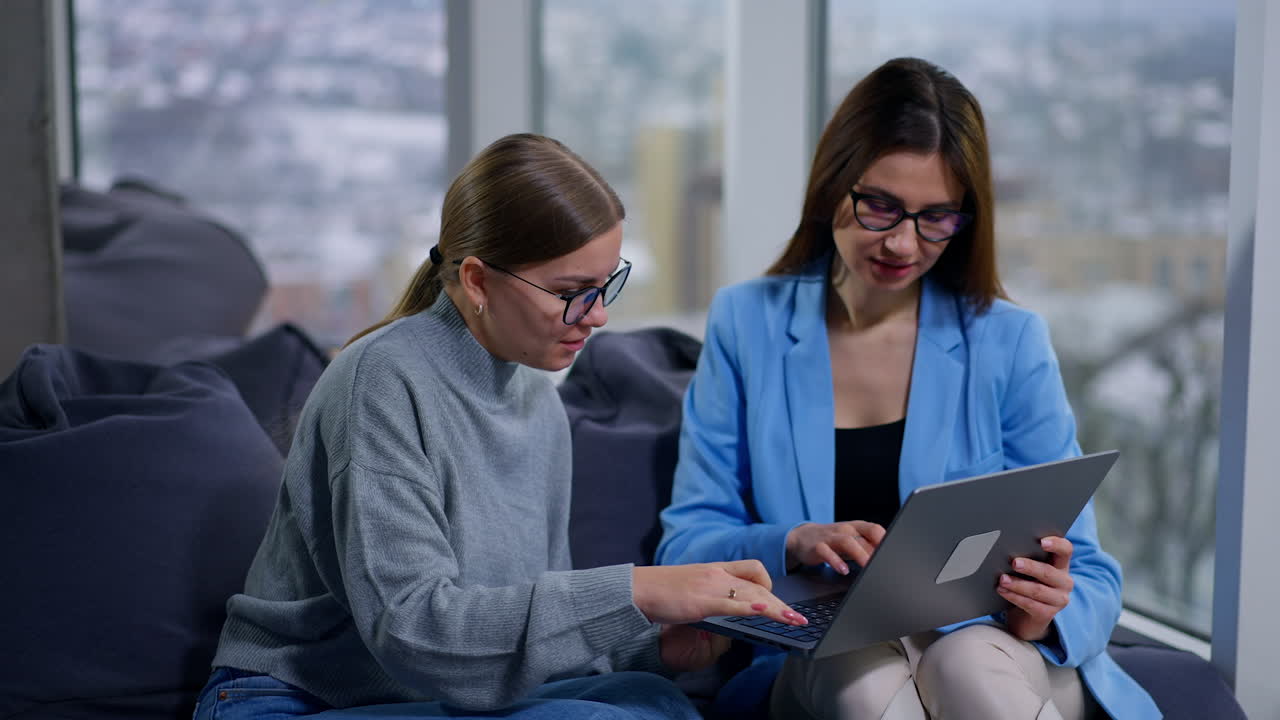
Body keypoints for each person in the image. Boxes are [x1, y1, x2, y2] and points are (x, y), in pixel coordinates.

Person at [193, 133, 809, 720]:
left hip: (423, 700)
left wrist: (651, 648)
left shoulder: (537, 401)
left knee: (654, 699)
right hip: (302, 701)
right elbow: (416, 633)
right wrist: (638, 592)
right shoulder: (381, 379)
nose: (595, 317)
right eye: (573, 292)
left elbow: (502, 637)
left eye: (605, 287)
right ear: (477, 281)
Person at [655, 58, 1160, 720]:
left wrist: (1047, 613)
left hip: (993, 650)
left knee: (968, 664)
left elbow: (1090, 572)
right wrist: (792, 541)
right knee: (861, 680)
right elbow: (686, 544)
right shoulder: (747, 324)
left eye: (936, 218)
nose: (903, 242)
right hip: (821, 654)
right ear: (834, 183)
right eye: (881, 206)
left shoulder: (1008, 341)